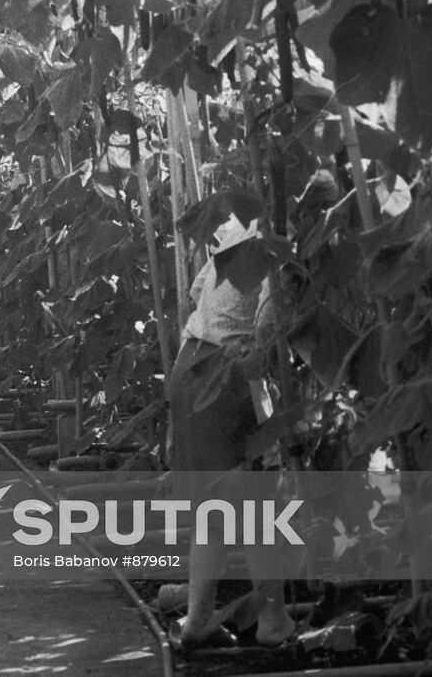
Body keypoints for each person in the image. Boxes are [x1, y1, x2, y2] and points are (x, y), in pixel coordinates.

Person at [168, 214, 295, 650]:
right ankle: (273, 620)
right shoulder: (283, 243)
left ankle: (198, 620)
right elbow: (264, 327)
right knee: (260, 501)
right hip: (229, 371)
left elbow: (196, 291)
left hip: (190, 367)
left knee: (215, 508)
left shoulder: (242, 230)